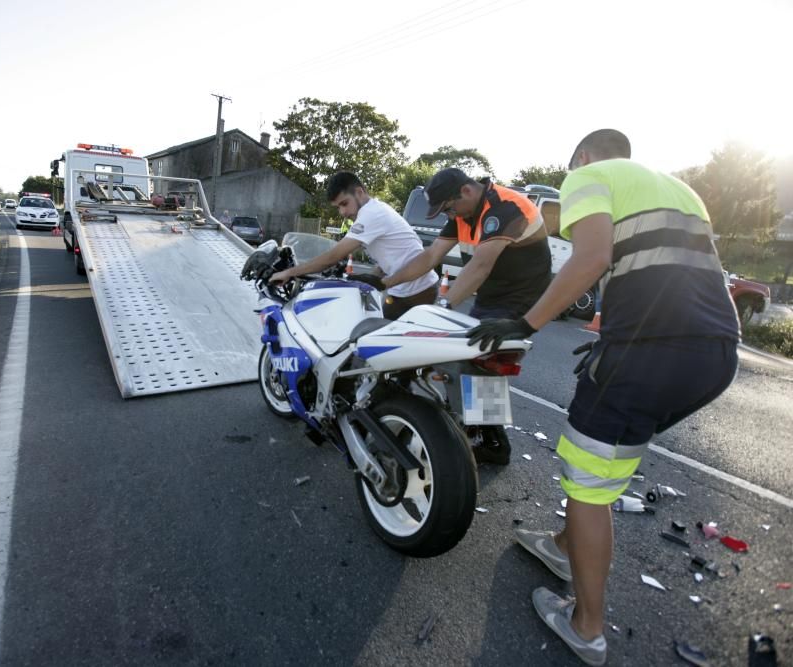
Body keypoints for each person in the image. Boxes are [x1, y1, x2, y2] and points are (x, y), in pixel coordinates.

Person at [467, 129, 739, 666]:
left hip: (646, 352)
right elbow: (658, 273)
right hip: (714, 354)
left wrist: (524, 325)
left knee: (589, 481)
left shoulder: (588, 177)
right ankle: (567, 545)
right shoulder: (682, 191)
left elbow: (589, 259)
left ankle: (586, 626)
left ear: (584, 157)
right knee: (606, 458)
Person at [382, 167, 553, 465]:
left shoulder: (504, 207)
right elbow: (430, 256)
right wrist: (387, 281)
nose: (449, 216)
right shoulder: (461, 213)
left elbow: (481, 266)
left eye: (448, 208)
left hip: (523, 297)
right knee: (475, 364)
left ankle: (469, 438)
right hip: (492, 295)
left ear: (466, 191)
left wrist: (442, 309)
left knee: (472, 359)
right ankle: (491, 441)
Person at [270, 172, 438, 320]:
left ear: (359, 192)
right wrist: (373, 276)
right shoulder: (376, 209)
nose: (342, 212)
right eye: (338, 207)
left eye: (344, 204)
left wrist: (289, 272)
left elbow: (333, 257)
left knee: (374, 344)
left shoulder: (371, 214)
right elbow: (395, 251)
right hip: (406, 289)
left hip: (417, 292)